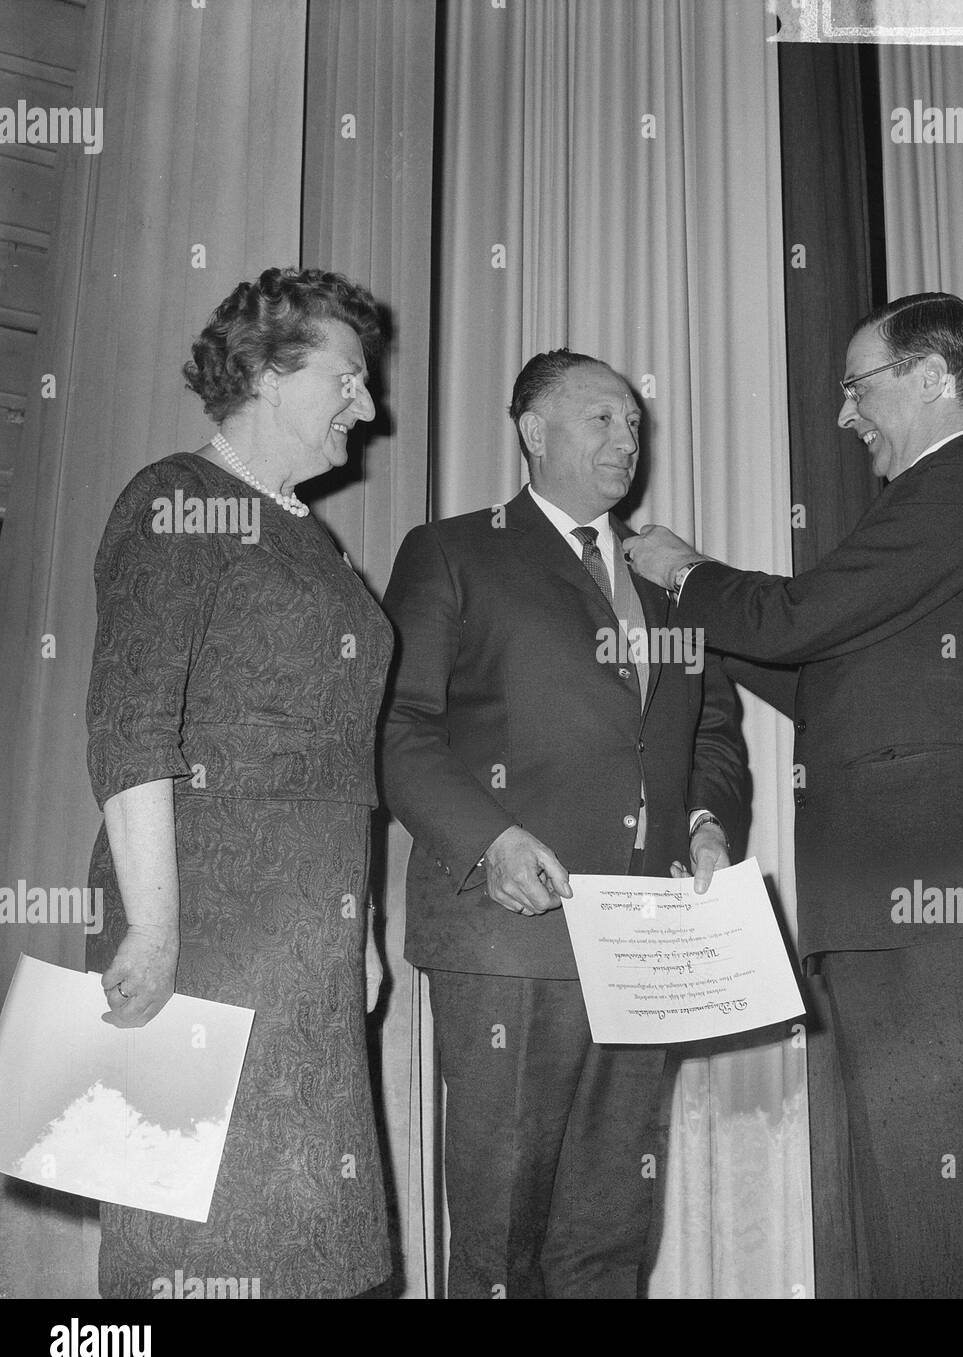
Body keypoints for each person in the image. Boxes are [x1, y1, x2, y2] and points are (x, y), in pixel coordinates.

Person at [624, 292, 963, 1297]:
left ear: (933, 379)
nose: (845, 413)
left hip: (939, 903)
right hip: (905, 907)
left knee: (955, 1215)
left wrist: (687, 572)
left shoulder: (959, 485)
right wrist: (707, 627)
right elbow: (821, 672)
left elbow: (794, 617)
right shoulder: (950, 510)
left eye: (858, 386)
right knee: (919, 1210)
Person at [381, 348, 748, 1299]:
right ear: (532, 433)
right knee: (505, 1228)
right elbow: (397, 727)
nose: (627, 439)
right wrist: (489, 839)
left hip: (646, 941)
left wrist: (707, 824)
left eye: (634, 423)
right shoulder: (454, 550)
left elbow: (709, 730)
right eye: (602, 419)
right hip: (513, 935)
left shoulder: (667, 577)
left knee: (610, 1231)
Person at [85, 267, 392, 1298]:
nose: (369, 403)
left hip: (307, 930)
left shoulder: (306, 532)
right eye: (347, 377)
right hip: (210, 919)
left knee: (306, 1235)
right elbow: (131, 724)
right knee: (195, 1238)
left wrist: (363, 931)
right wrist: (155, 928)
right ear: (264, 372)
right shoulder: (179, 497)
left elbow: (344, 754)